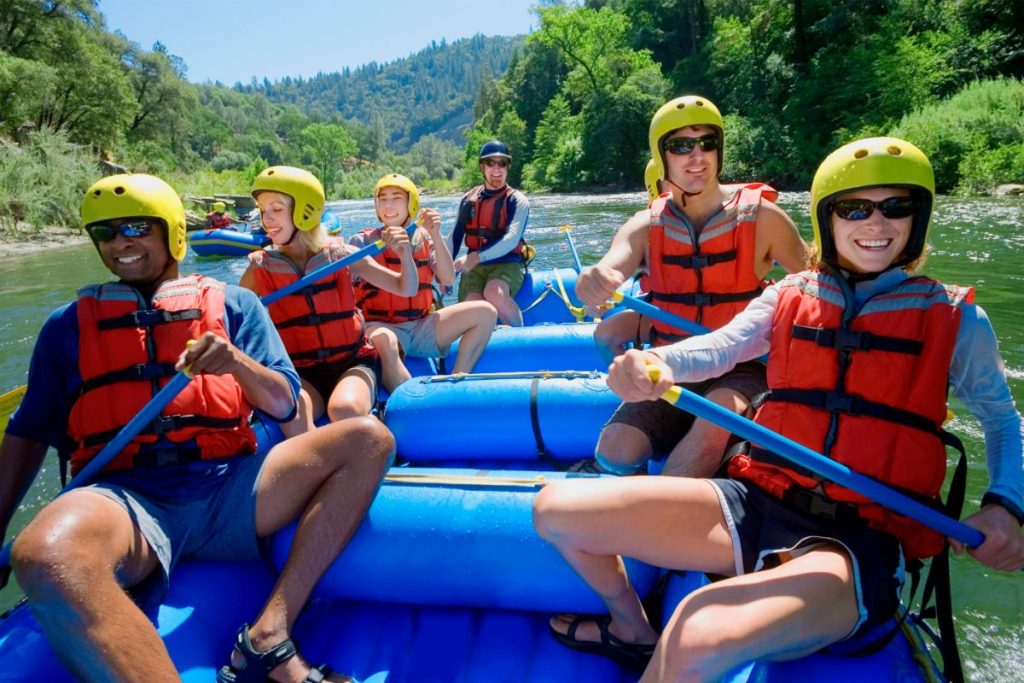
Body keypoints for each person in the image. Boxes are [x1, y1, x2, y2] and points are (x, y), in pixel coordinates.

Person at [534, 137, 1024, 680]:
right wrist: (659, 364)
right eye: (855, 208)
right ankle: (631, 626)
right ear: (828, 219)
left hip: (859, 539)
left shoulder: (955, 319)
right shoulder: (790, 294)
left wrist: (1006, 505)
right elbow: (721, 346)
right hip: (757, 502)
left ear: (918, 217)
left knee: (699, 623)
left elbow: (1001, 419)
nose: (876, 223)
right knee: (557, 509)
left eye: (896, 207)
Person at [0, 173, 392, 683]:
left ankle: (270, 634)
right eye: (107, 232)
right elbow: (28, 436)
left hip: (232, 486)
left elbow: (284, 405)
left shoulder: (235, 305)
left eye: (138, 226)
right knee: (42, 553)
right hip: (129, 501)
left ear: (172, 231)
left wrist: (236, 364)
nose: (122, 242)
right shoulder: (65, 327)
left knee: (368, 439)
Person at [574, 95, 807, 477]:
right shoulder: (645, 226)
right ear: (662, 156)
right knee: (615, 451)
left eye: (707, 143)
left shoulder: (764, 218)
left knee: (714, 424)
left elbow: (820, 283)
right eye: (681, 146)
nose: (697, 157)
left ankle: (661, 520)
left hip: (744, 368)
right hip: (673, 362)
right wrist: (598, 279)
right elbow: (613, 262)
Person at [239, 166, 418, 436]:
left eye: (276, 208)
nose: (267, 218)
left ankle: (381, 432)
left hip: (352, 362)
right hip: (302, 373)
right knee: (294, 416)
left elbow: (406, 288)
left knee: (344, 410)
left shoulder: (341, 255)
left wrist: (405, 254)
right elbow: (235, 323)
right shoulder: (259, 269)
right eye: (263, 210)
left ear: (305, 210)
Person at [350, 174, 497, 392]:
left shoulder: (424, 238)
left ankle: (457, 381)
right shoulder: (361, 242)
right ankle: (414, 398)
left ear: (411, 203)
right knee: (384, 340)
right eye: (383, 199)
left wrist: (435, 234)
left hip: (421, 326)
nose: (388, 205)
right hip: (381, 326)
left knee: (486, 312)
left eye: (396, 198)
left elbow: (447, 278)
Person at [450, 140, 531, 327]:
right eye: (490, 163)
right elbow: (455, 237)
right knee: (473, 305)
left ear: (508, 167)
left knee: (494, 292)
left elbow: (511, 240)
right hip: (475, 267)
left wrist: (477, 257)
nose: (497, 169)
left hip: (507, 263)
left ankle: (519, 338)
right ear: (482, 167)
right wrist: (445, 271)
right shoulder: (468, 199)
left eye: (502, 163)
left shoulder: (517, 200)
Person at [591, 159, 662, 363]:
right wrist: (603, 296)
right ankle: (628, 381)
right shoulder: (644, 226)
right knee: (604, 335)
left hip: (700, 320)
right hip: (665, 315)